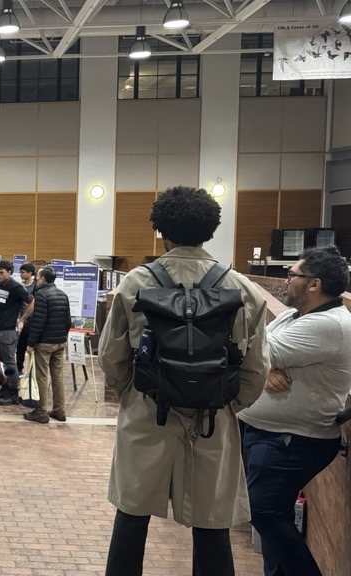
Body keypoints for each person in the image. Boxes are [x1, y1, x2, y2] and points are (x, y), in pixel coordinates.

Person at [98, 186, 269, 576]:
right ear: (210, 230)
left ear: (162, 231)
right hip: (213, 419)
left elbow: (111, 356)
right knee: (212, 528)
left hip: (148, 414)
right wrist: (226, 402)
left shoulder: (135, 283)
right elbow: (257, 369)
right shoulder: (241, 288)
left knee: (131, 520)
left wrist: (134, 393)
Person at [238, 245, 351, 576]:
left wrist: (261, 365)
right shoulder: (295, 315)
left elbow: (248, 350)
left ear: (313, 284)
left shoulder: (330, 325)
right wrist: (265, 369)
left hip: (292, 440)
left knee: (265, 512)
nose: (285, 282)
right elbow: (257, 351)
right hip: (268, 435)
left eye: (292, 275)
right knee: (274, 516)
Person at [20, 267, 71, 420]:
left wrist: (31, 343)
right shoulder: (63, 294)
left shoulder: (41, 295)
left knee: (42, 376)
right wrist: (63, 337)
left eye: (38, 277)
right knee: (58, 376)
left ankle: (41, 411)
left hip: (45, 343)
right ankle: (59, 410)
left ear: (43, 278)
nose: (36, 279)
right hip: (60, 342)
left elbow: (39, 322)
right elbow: (68, 320)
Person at [0, 260, 32, 404]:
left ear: (9, 273)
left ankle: (13, 392)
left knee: (9, 362)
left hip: (8, 330)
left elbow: (32, 302)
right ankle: (5, 388)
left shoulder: (16, 287)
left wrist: (22, 319)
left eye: (1, 272)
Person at [15, 262, 37, 375]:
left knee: (33, 347)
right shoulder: (19, 286)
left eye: (23, 272)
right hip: (21, 320)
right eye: (20, 272)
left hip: (33, 321)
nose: (21, 274)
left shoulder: (36, 287)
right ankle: (19, 368)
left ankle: (33, 369)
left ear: (30, 273)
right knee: (20, 346)